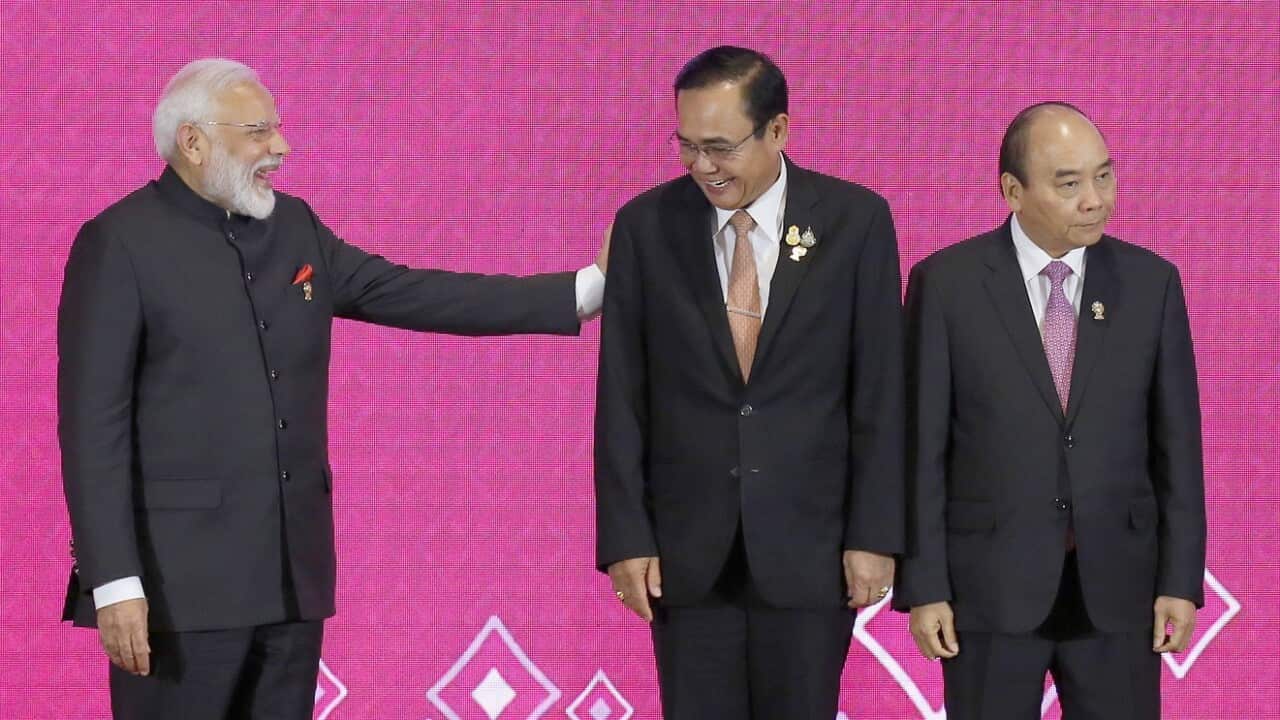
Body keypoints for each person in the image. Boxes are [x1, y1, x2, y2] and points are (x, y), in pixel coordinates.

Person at [58, 57, 607, 719]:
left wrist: (583, 291)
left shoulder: (295, 228)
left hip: (293, 581)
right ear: (193, 142)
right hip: (178, 591)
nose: (281, 148)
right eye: (258, 132)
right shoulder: (119, 243)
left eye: (277, 129)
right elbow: (93, 429)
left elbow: (413, 292)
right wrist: (115, 582)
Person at [593, 46, 904, 719]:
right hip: (685, 551)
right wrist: (625, 539)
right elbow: (621, 394)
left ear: (779, 131)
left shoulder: (856, 222)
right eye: (686, 145)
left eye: (720, 147)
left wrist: (874, 534)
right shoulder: (646, 227)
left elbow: (880, 391)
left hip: (811, 547)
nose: (702, 166)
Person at [894, 102, 1206, 719]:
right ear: (1013, 190)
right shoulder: (947, 285)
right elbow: (921, 448)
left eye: (1104, 176)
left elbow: (1178, 447)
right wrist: (925, 586)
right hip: (987, 590)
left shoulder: (1151, 284)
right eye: (1069, 184)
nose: (1095, 199)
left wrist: (1179, 582)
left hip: (1121, 589)